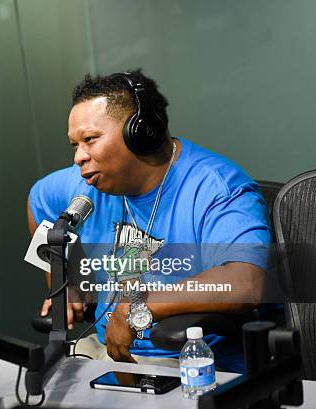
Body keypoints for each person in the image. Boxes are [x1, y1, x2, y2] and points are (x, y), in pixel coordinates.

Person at [26, 69, 271, 373]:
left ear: (141, 133)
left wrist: (140, 307)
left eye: (90, 139)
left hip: (197, 366)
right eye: (75, 144)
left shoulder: (216, 187)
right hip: (107, 353)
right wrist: (64, 285)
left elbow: (246, 282)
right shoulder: (85, 186)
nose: (79, 157)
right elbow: (39, 202)